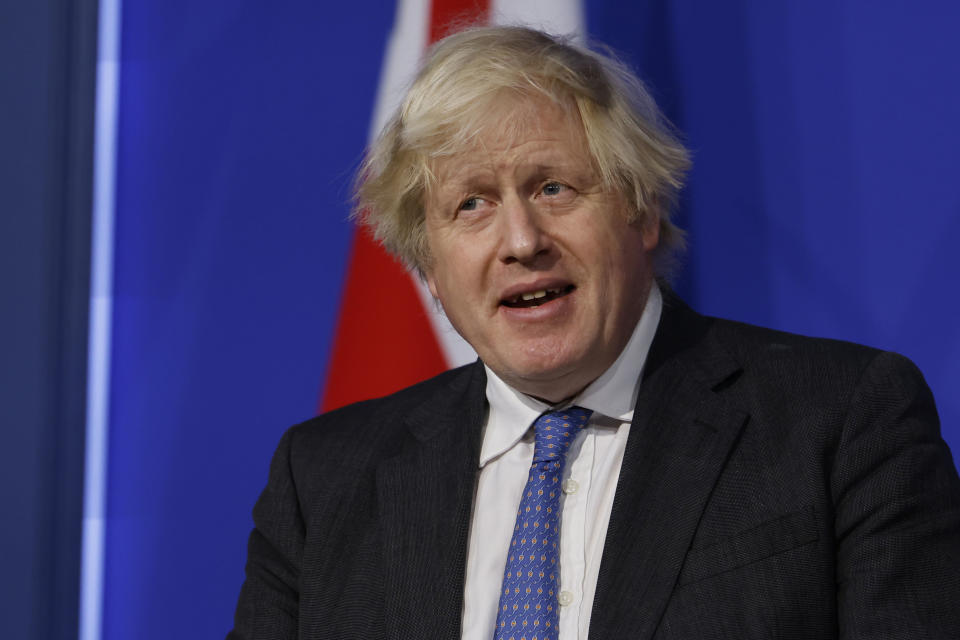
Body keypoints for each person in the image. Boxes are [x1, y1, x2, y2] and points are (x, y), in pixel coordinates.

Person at [228, 26, 960, 639]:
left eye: (554, 188)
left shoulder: (838, 422)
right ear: (428, 263)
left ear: (641, 211)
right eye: (472, 205)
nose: (521, 240)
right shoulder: (322, 481)